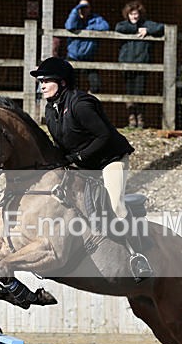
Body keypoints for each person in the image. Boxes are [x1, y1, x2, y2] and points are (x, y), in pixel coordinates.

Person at [29, 57, 153, 281]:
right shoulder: (50, 111)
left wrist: (76, 157)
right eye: (41, 81)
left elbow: (103, 136)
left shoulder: (81, 104)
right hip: (84, 164)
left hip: (110, 159)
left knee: (115, 204)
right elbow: (60, 146)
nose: (43, 85)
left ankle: (139, 256)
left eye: (47, 80)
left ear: (63, 82)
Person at [115, 0, 164, 129]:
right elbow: (118, 28)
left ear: (140, 14)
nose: (134, 16)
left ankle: (140, 120)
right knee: (129, 92)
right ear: (127, 15)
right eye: (131, 14)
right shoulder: (124, 25)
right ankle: (131, 119)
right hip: (127, 64)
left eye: (136, 13)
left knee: (140, 91)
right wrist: (136, 29)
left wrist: (147, 30)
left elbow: (161, 28)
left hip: (142, 64)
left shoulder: (146, 24)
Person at [64, 0, 110, 93]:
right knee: (71, 84)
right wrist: (76, 10)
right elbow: (69, 26)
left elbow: (105, 27)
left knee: (96, 84)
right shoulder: (75, 18)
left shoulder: (95, 19)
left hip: (88, 56)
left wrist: (89, 29)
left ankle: (89, 100)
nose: (84, 10)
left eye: (86, 7)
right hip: (73, 56)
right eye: (82, 7)